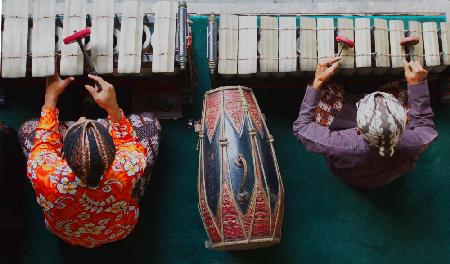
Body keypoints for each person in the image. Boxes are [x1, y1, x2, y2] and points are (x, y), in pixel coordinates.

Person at [18, 73, 160, 248]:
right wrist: (112, 107)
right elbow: (128, 143)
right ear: (112, 154)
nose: (83, 118)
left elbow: (45, 141)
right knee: (150, 124)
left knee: (28, 129)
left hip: (66, 233)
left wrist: (51, 96)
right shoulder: (127, 168)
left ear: (63, 156)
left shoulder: (44, 172)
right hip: (119, 229)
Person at [293, 57, 438, 188]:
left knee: (322, 97)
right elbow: (424, 126)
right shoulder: (415, 142)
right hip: (386, 178)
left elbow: (302, 127)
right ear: (404, 124)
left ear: (357, 129)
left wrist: (317, 83)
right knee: (404, 91)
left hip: (350, 178)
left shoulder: (337, 144)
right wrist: (417, 85)